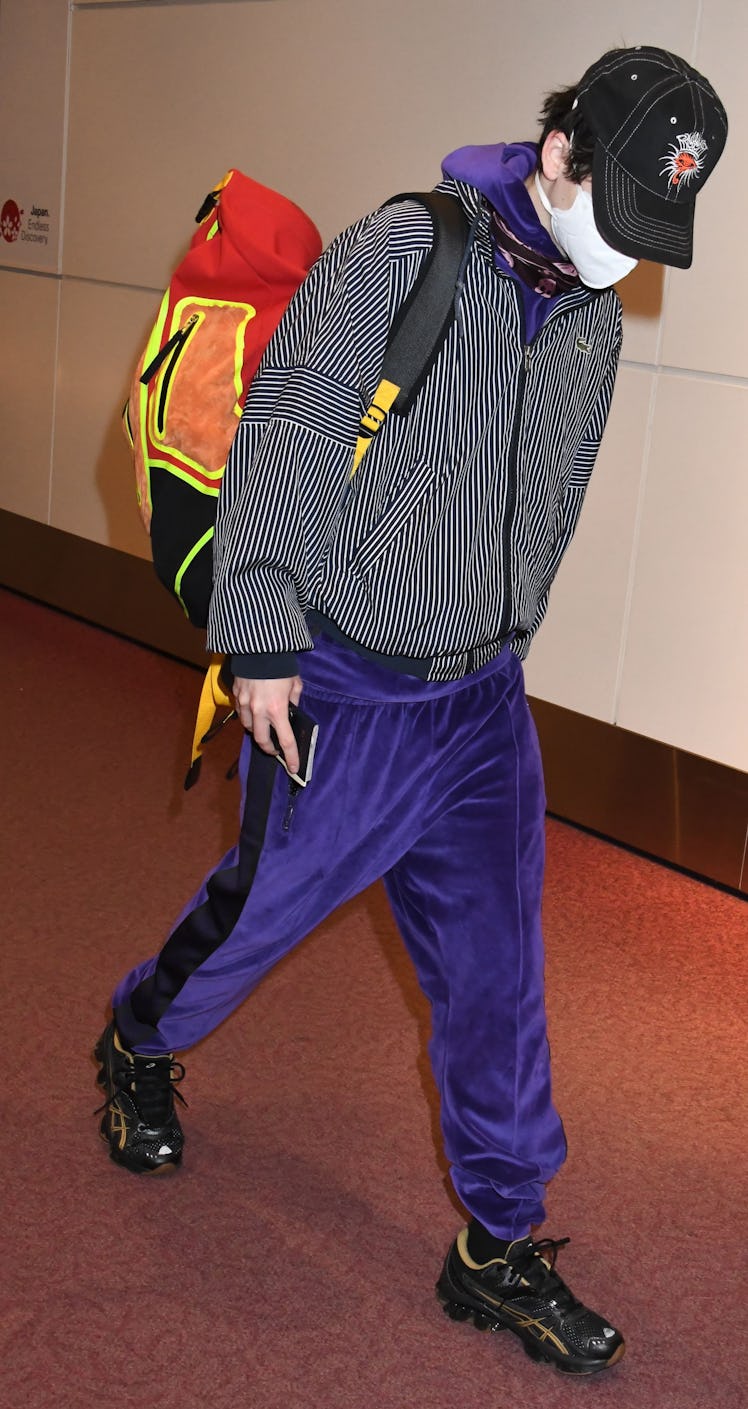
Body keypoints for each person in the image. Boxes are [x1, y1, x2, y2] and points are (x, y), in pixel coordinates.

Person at [95, 46, 726, 1375]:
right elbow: (295, 425)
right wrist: (262, 629)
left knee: (499, 982)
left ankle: (497, 1244)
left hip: (481, 711)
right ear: (561, 153)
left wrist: (500, 642)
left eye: (651, 237)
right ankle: (139, 1035)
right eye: (615, 218)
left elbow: (536, 505)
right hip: (351, 691)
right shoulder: (405, 248)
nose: (627, 261)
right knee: (255, 914)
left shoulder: (594, 322)